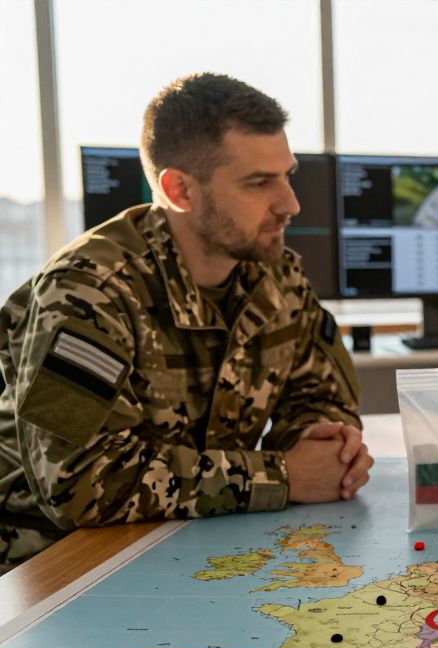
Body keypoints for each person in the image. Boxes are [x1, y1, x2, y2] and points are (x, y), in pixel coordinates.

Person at [0, 73, 373, 574]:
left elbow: (320, 397)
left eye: (287, 175)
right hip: (58, 568)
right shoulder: (90, 292)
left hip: (196, 540)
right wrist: (282, 475)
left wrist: (323, 448)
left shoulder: (276, 276)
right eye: (259, 182)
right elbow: (79, 484)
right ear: (179, 189)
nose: (290, 203)